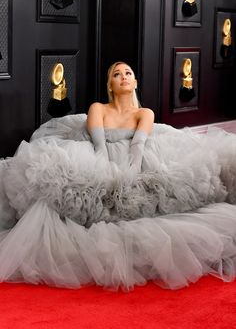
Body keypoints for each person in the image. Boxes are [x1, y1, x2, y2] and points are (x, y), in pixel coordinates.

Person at [0, 61, 236, 291]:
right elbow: (99, 145)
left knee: (157, 192)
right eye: (116, 74)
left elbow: (138, 148)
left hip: (136, 158)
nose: (123, 76)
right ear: (110, 85)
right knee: (82, 196)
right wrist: (107, 172)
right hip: (100, 158)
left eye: (128, 73)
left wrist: (130, 175)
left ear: (135, 83)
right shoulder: (98, 108)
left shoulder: (145, 113)